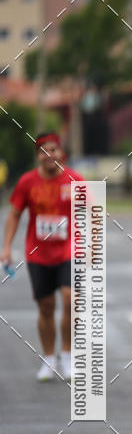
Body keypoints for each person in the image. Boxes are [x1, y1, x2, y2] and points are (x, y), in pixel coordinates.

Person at [0, 132, 84, 381]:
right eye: (44, 151)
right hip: (38, 254)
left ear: (62, 153)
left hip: (68, 250)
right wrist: (6, 247)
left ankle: (67, 356)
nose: (50, 155)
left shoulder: (74, 180)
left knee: (70, 299)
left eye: (54, 149)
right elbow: (14, 214)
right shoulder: (27, 182)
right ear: (38, 156)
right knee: (46, 307)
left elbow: (90, 214)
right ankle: (49, 358)